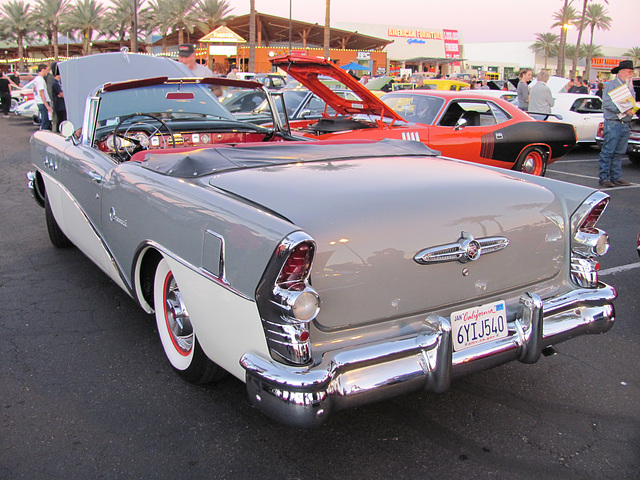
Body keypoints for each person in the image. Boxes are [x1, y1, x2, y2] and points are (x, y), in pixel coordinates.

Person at [597, 60, 639, 188]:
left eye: (632, 72)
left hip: (624, 123)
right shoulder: (611, 85)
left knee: (619, 152)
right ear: (621, 72)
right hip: (613, 123)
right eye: (629, 71)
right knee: (608, 151)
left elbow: (632, 103)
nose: (631, 74)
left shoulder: (629, 87)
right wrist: (622, 109)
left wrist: (632, 109)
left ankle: (616, 177)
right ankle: (604, 178)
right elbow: (607, 104)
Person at [33, 64, 52, 130]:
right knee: (45, 120)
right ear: (43, 70)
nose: (48, 72)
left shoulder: (36, 79)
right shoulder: (40, 80)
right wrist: (47, 105)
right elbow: (41, 93)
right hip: (42, 102)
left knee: (44, 119)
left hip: (39, 101)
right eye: (47, 70)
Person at [50, 66, 66, 133]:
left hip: (60, 105)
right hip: (59, 105)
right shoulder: (55, 83)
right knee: (60, 119)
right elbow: (61, 94)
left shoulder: (56, 83)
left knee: (61, 119)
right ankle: (59, 131)